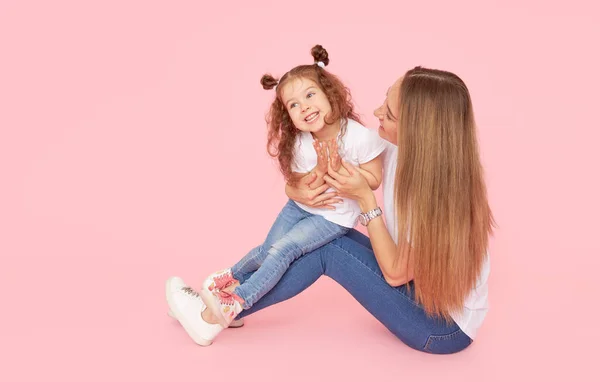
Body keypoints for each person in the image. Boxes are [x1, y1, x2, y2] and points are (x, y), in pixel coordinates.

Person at [167, 66, 494, 354]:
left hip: (442, 328)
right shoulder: (397, 150)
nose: (378, 112)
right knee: (321, 236)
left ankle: (209, 317)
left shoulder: (433, 188)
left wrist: (365, 198)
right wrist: (294, 187)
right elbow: (329, 156)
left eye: (390, 114)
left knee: (328, 250)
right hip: (422, 289)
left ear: (419, 130)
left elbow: (396, 273)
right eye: (385, 100)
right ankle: (226, 305)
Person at [166, 45, 385, 345]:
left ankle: (236, 302)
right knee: (269, 248)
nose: (304, 107)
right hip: (298, 207)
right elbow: (298, 183)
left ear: (330, 93)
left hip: (332, 217)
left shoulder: (359, 136)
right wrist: (317, 172)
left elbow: (374, 180)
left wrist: (349, 174)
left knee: (283, 251)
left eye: (310, 95)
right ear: (287, 115)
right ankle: (228, 280)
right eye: (293, 105)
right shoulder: (300, 143)